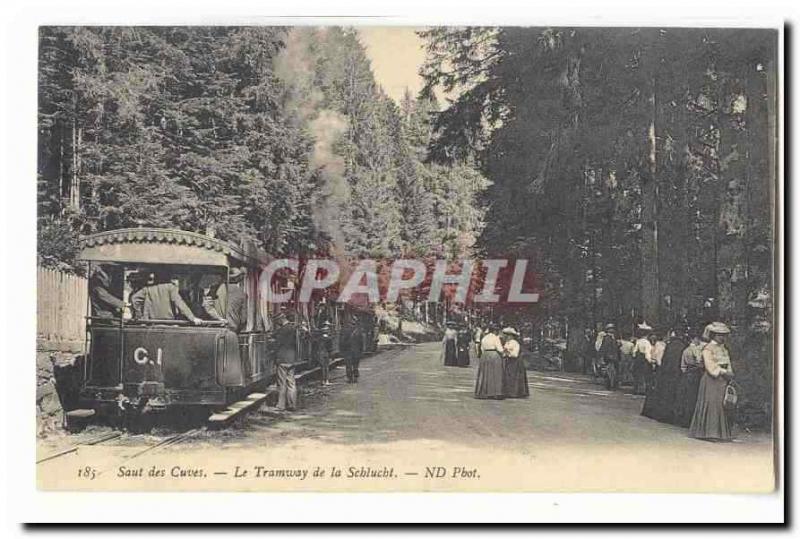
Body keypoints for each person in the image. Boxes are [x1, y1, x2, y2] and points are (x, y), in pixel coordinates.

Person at [689, 322, 735, 441]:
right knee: (712, 403)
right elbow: (710, 366)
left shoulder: (724, 349)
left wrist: (729, 372)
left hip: (723, 379)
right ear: (714, 335)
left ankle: (720, 433)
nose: (723, 338)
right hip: (712, 378)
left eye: (724, 335)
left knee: (722, 404)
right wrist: (723, 371)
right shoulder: (708, 349)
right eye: (720, 335)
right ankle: (709, 432)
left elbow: (728, 362)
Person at [641, 328, 686, 423]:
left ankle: (660, 413)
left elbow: (662, 360)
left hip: (665, 372)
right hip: (676, 374)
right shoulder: (682, 346)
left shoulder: (669, 345)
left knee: (662, 393)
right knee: (671, 395)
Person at [138, 270, 203, 324]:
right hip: (169, 323)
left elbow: (134, 299)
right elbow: (179, 302)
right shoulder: (170, 287)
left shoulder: (148, 289)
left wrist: (140, 316)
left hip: (153, 323)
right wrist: (192, 318)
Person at [675, 328, 706, 428]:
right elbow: (699, 362)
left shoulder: (685, 350)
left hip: (686, 374)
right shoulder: (695, 350)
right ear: (694, 339)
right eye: (697, 339)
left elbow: (682, 366)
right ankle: (690, 420)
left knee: (685, 397)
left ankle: (683, 419)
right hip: (695, 374)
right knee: (693, 397)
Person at [274, 313, 299, 411]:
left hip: (282, 359)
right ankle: (292, 404)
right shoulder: (293, 328)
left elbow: (277, 344)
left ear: (281, 319)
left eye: (277, 321)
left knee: (282, 383)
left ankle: (281, 405)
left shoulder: (282, 330)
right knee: (291, 382)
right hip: (291, 358)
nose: (277, 323)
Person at [475, 324, 505, 399]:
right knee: (496, 373)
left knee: (485, 373)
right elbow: (500, 349)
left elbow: (481, 348)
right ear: (495, 331)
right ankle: (495, 392)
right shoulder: (495, 338)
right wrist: (503, 352)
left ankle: (484, 391)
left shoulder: (484, 338)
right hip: (494, 355)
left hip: (485, 355)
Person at [501, 327, 529, 398]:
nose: (505, 336)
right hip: (509, 361)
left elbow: (515, 354)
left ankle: (515, 392)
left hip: (515, 362)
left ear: (510, 336)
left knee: (514, 376)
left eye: (506, 335)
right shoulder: (507, 343)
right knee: (509, 376)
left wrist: (508, 353)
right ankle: (508, 392)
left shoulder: (515, 343)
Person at [632, 322, 654, 395]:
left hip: (638, 360)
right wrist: (650, 361)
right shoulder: (647, 343)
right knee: (645, 375)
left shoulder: (638, 341)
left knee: (638, 375)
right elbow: (647, 353)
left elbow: (634, 352)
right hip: (644, 360)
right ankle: (643, 390)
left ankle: (637, 389)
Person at [341, 315, 364, 383]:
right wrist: (361, 351)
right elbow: (361, 343)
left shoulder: (345, 331)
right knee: (355, 366)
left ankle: (350, 378)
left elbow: (342, 342)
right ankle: (355, 378)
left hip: (348, 352)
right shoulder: (358, 332)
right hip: (356, 352)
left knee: (349, 366)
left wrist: (342, 351)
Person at [598, 323, 621, 389]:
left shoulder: (614, 338)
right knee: (610, 371)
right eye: (611, 329)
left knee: (613, 372)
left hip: (614, 357)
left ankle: (612, 384)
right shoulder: (607, 338)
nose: (612, 330)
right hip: (609, 357)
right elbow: (604, 347)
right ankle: (610, 384)